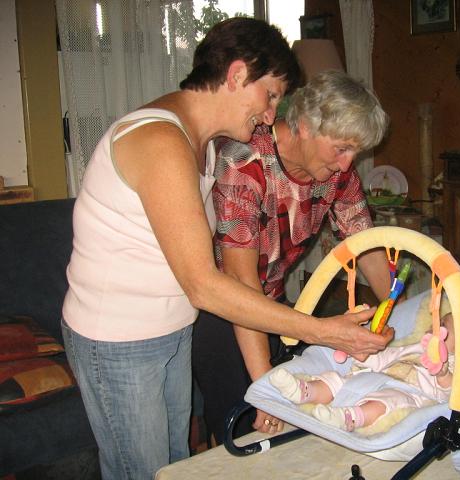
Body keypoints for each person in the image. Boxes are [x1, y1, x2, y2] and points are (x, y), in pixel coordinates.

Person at [60, 18, 392, 480]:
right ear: (238, 76)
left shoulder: (205, 145)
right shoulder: (161, 141)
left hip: (170, 328)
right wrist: (322, 331)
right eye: (271, 95)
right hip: (118, 339)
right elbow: (206, 284)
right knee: (141, 470)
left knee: (171, 464)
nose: (272, 113)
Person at [192, 70, 393, 443]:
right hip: (221, 314)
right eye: (341, 149)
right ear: (303, 126)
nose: (348, 165)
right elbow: (240, 282)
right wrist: (264, 385)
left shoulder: (336, 173)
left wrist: (406, 311)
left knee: (299, 426)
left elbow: (366, 244)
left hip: (274, 305)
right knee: (241, 436)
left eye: (355, 152)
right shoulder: (244, 161)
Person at [269, 312, 459, 431]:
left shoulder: (454, 366)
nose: (436, 327)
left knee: (388, 401)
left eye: (443, 326)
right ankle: (304, 391)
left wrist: (443, 375)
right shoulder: (416, 346)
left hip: (407, 392)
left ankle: (349, 417)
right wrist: (363, 354)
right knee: (337, 379)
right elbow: (389, 356)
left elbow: (447, 396)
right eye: (438, 321)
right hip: (374, 378)